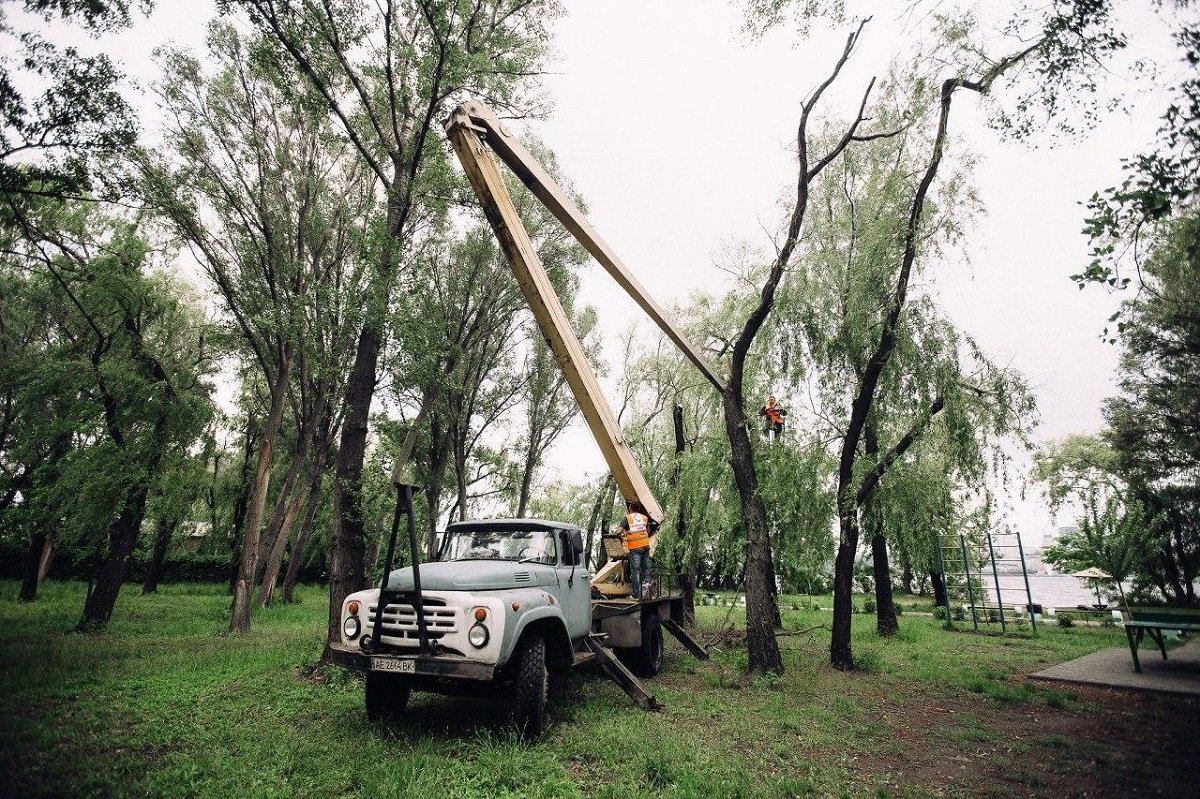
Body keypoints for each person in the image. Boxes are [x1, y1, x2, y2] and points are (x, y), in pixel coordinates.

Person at [618, 500, 658, 601]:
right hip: (645, 546)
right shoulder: (644, 518)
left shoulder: (627, 518)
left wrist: (623, 538)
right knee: (646, 569)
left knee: (635, 571)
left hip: (635, 547)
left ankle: (636, 594)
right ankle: (647, 593)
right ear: (639, 509)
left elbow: (618, 531)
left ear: (630, 508)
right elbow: (648, 531)